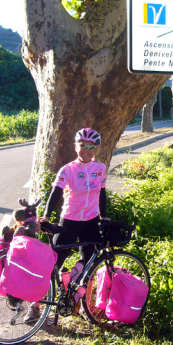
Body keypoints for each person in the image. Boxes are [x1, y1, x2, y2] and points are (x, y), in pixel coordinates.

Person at [24, 127, 107, 323]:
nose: (85, 150)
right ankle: (34, 305)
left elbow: (102, 193)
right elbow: (56, 194)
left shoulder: (100, 168)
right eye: (82, 146)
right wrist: (45, 216)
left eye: (90, 147)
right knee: (53, 263)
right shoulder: (68, 169)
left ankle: (72, 294)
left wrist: (103, 217)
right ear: (76, 146)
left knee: (88, 260)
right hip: (69, 220)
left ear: (95, 149)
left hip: (91, 220)